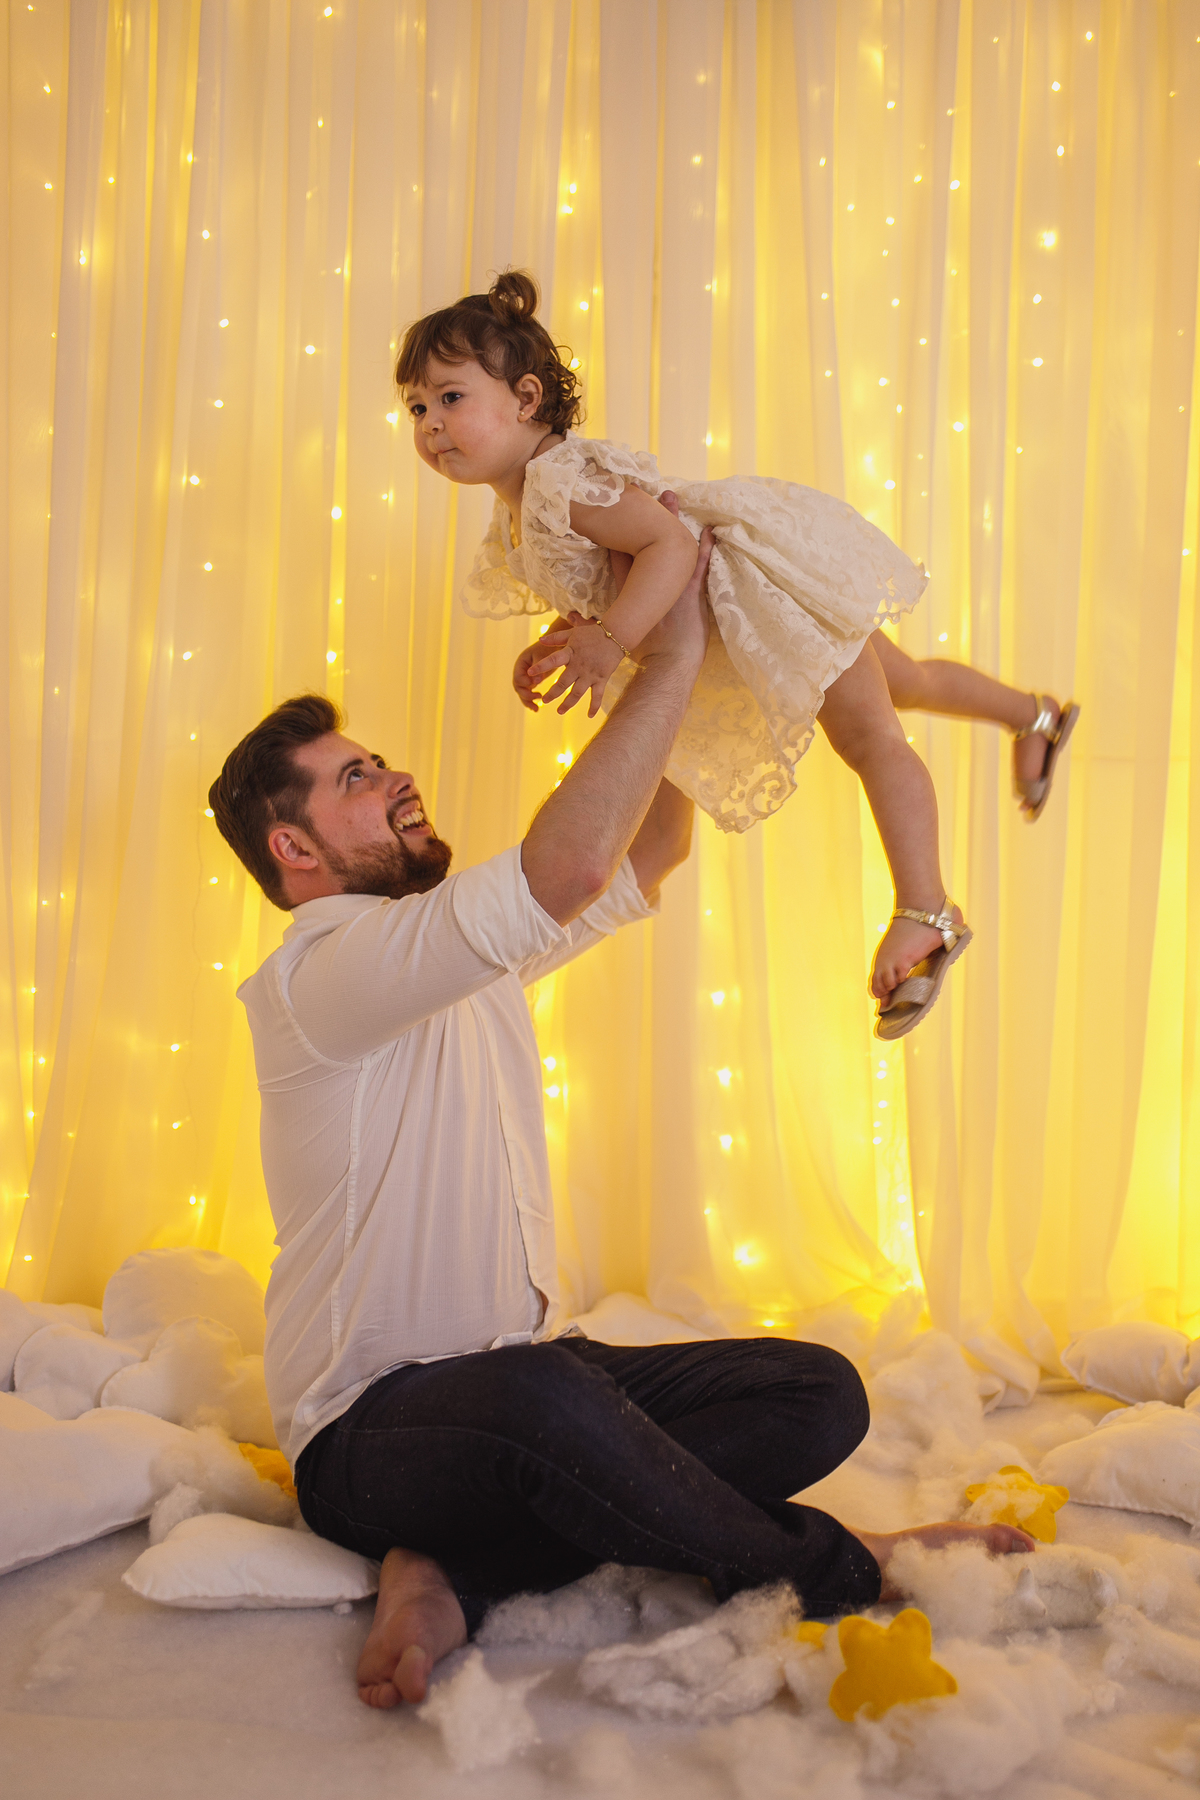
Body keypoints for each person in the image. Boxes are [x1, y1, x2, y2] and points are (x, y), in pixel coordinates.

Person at [209, 538, 1032, 1713]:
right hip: (372, 1437)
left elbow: (649, 848)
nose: (390, 779)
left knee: (819, 1392)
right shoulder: (323, 969)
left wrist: (704, 674)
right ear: (295, 852)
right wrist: (670, 652)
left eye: (377, 760)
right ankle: (848, 1564)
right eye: (353, 782)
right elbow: (569, 862)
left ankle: (460, 1563)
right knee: (550, 1410)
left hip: (528, 1385)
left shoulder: (450, 955)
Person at [395, 270, 1079, 1040]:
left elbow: (669, 543)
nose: (429, 424)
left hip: (759, 597)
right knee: (907, 681)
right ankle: (1038, 716)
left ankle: (927, 909)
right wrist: (571, 636)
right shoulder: (517, 509)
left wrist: (613, 638)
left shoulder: (559, 483)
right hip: (723, 628)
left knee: (870, 736)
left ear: (525, 400)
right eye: (416, 408)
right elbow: (594, 581)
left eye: (451, 398)